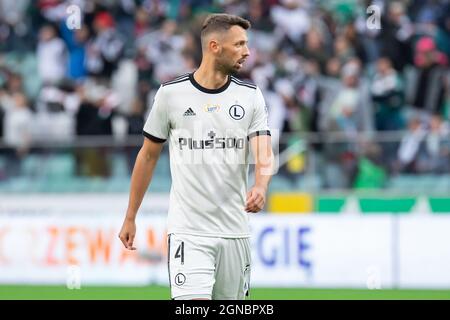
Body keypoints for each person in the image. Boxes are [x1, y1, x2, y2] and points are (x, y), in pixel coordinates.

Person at [118, 14, 274, 300]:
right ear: (215, 46)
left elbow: (263, 151)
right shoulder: (170, 94)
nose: (247, 52)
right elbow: (148, 156)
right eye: (239, 44)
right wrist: (130, 216)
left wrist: (261, 185)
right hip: (188, 232)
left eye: (246, 44)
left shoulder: (251, 96)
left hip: (235, 232)